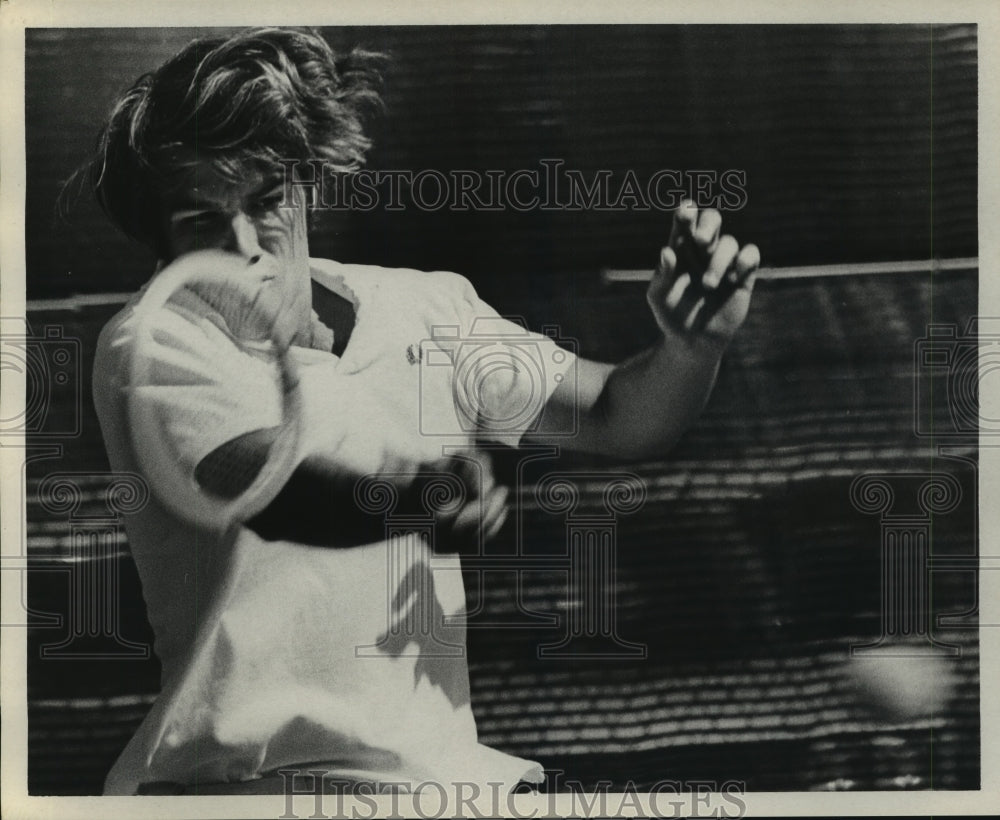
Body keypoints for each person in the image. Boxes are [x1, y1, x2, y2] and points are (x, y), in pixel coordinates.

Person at [86, 28, 760, 796]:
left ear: (307, 183)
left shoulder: (426, 307)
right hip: (239, 788)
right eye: (200, 220)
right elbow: (277, 489)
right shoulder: (153, 340)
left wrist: (689, 348)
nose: (244, 244)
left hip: (436, 782)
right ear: (160, 237)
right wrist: (410, 496)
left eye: (266, 200)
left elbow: (621, 415)